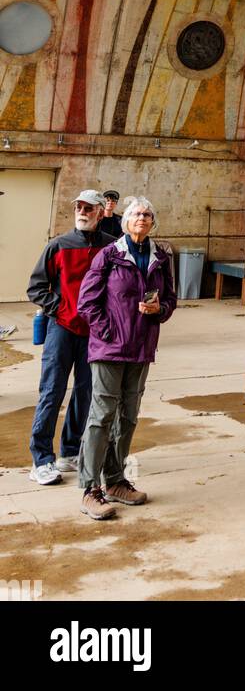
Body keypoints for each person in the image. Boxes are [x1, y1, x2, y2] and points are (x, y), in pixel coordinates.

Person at [76, 197, 176, 519]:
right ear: (125, 221)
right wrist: (108, 333)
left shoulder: (161, 257)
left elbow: (171, 299)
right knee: (102, 414)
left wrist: (158, 310)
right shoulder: (109, 255)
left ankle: (116, 481)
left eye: (148, 214)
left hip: (141, 348)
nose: (142, 218)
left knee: (129, 416)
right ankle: (91, 488)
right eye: (135, 214)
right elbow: (87, 303)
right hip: (109, 348)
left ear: (152, 221)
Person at [26, 190, 114, 485]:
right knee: (52, 391)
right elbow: (36, 288)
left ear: (101, 212)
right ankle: (41, 459)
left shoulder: (111, 248)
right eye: (78, 207)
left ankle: (70, 451)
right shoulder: (58, 245)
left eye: (88, 208)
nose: (82, 211)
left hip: (95, 332)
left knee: (86, 392)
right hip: (61, 329)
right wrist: (62, 309)